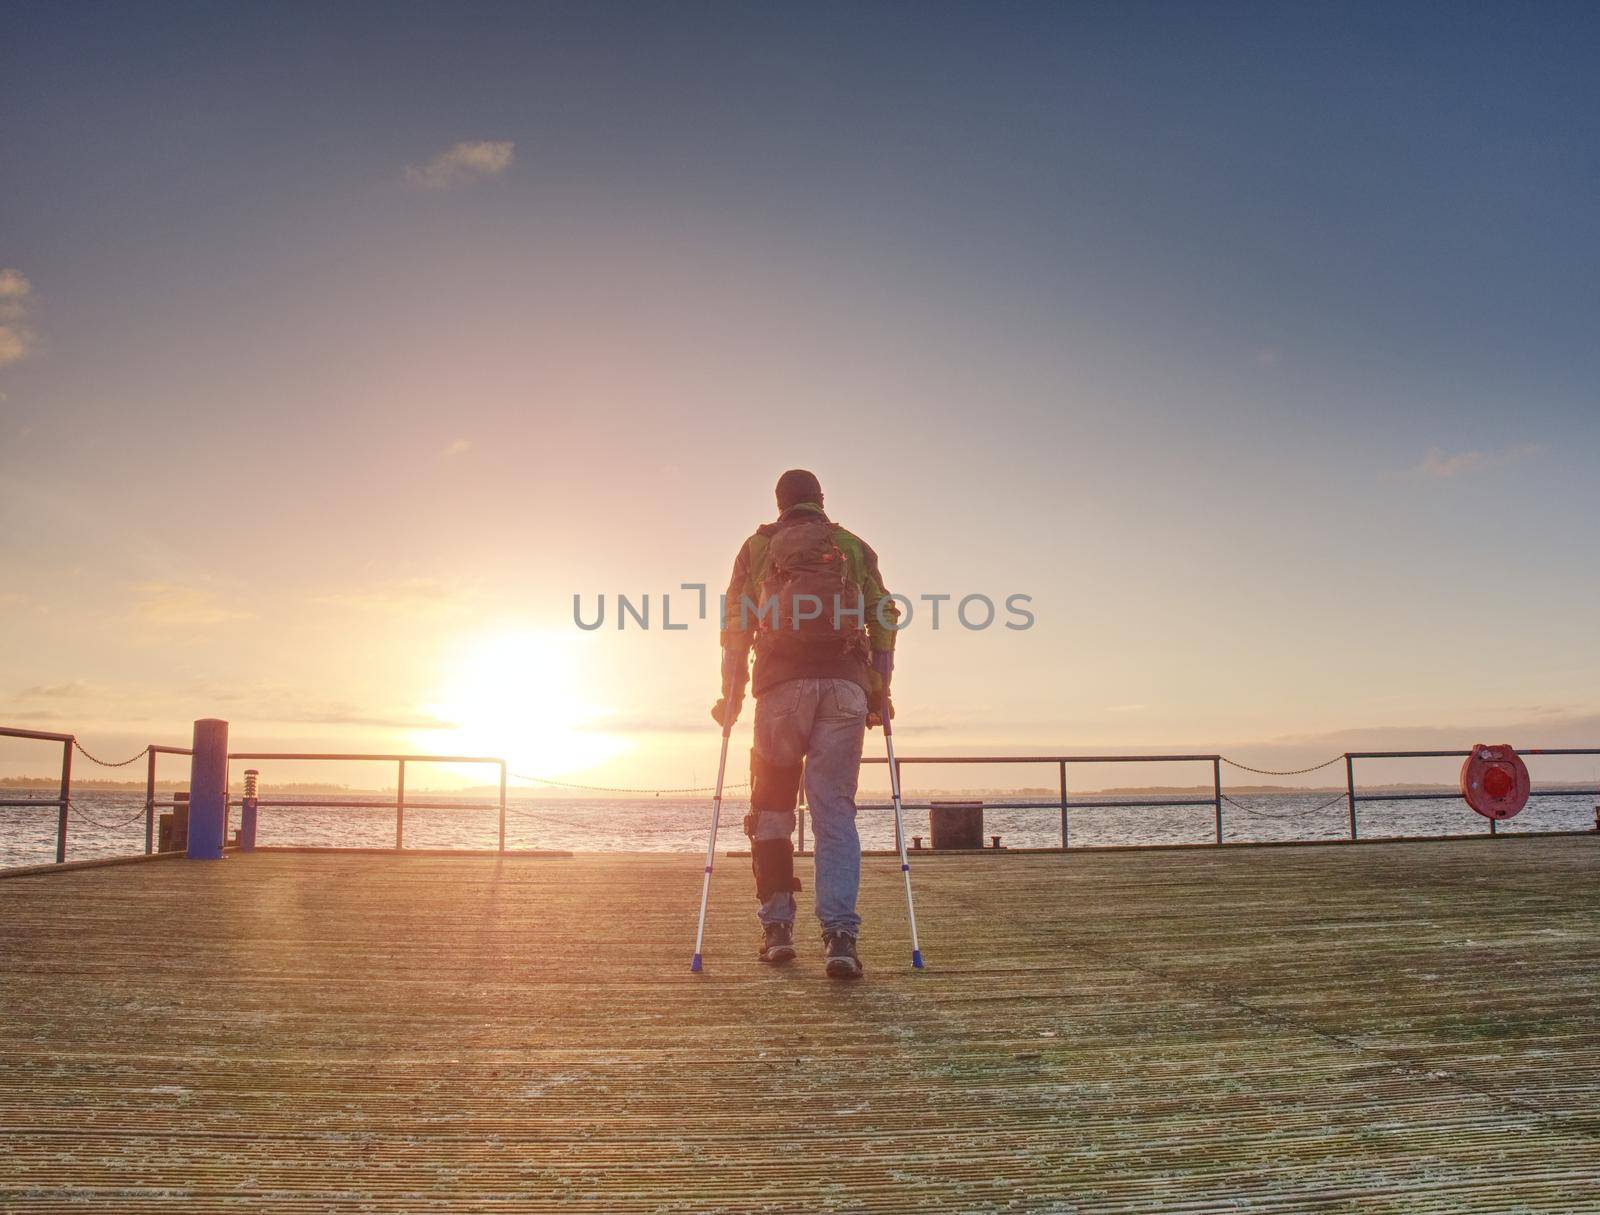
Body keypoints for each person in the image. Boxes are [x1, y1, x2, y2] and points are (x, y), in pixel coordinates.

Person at [713, 469, 898, 980]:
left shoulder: (757, 549)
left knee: (772, 807)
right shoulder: (853, 547)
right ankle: (840, 937)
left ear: (779, 505)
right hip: (845, 690)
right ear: (820, 501)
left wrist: (730, 694)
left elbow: (737, 624)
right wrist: (879, 689)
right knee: (834, 813)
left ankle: (777, 929)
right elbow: (883, 616)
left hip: (781, 692)